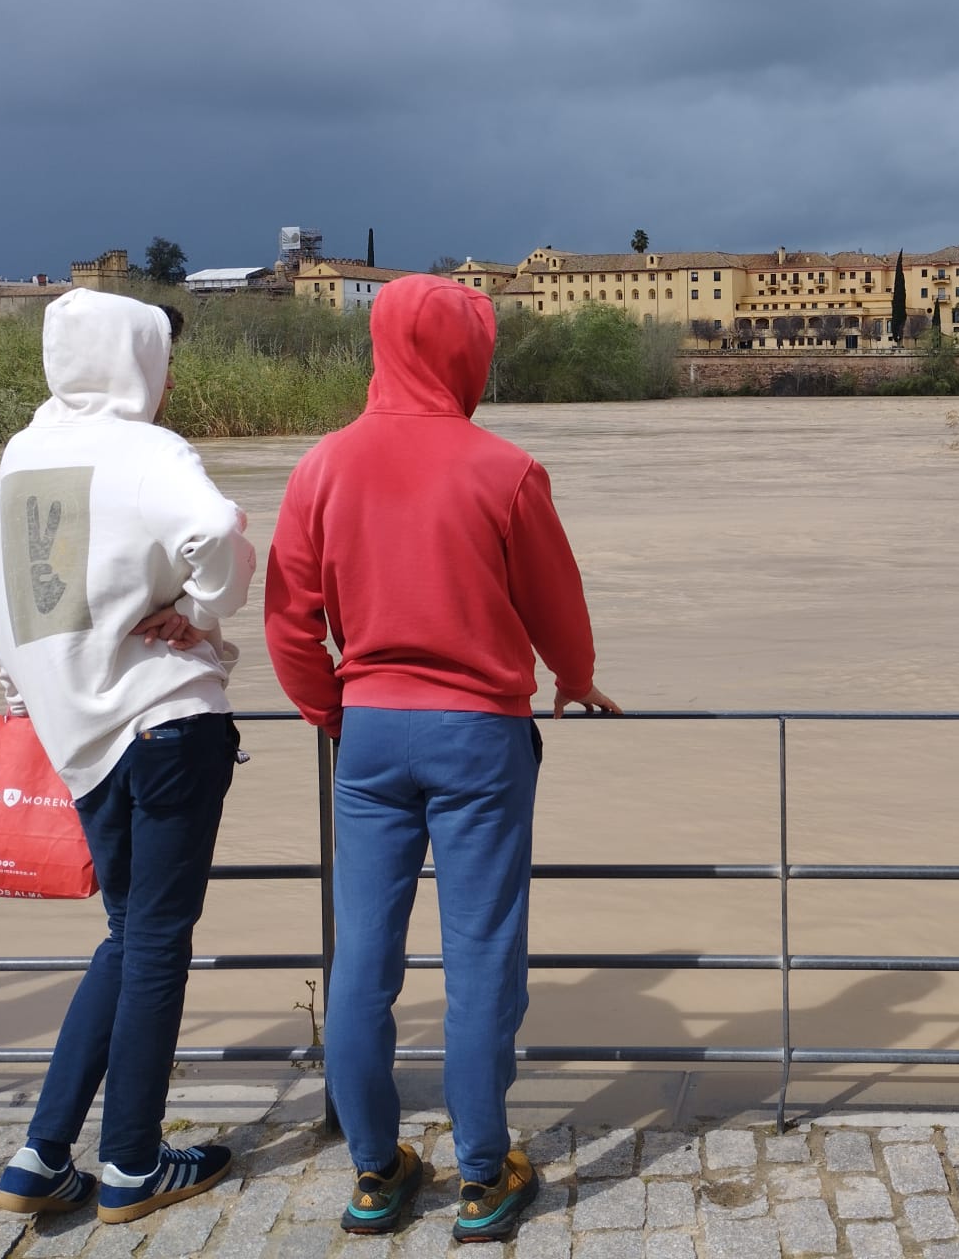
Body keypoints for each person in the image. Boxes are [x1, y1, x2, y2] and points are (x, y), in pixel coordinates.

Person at [264, 276, 618, 1242]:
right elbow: (558, 608)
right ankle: (481, 1176)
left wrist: (328, 709)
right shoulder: (503, 469)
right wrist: (575, 676)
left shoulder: (321, 468)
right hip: (478, 738)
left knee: (364, 962)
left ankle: (375, 1174)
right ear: (467, 354)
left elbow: (291, 621)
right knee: (482, 954)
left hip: (369, 734)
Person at [0, 291, 256, 1223]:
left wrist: (39, 701)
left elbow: (12, 602)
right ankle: (134, 1167)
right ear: (132, 359)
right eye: (158, 355)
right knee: (155, 948)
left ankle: (40, 1157)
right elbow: (217, 533)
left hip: (83, 741)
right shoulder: (147, 449)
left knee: (128, 935)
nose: (168, 376)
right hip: (167, 722)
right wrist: (207, 608)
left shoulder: (24, 455)